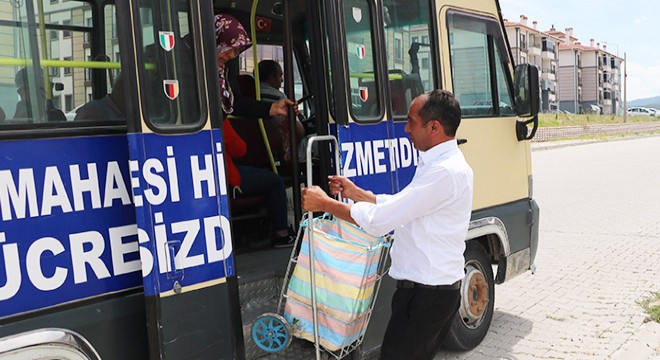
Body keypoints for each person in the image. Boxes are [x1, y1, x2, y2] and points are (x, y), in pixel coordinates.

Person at [301, 89, 474, 360]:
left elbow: (381, 221)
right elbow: (405, 206)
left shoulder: (444, 171)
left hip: (426, 297)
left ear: (434, 127)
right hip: (429, 293)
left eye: (411, 122)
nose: (406, 129)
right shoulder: (442, 164)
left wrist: (325, 204)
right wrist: (357, 193)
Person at [216, 13, 295, 247]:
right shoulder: (201, 80)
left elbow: (237, 103)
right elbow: (239, 148)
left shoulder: (223, 74)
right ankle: (282, 234)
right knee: (274, 181)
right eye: (229, 49)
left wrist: (272, 108)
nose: (232, 56)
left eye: (236, 52)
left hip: (223, 165)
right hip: (224, 170)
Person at [258, 59, 304, 166]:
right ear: (271, 77)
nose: (282, 81)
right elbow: (299, 131)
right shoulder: (278, 97)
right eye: (280, 76)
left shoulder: (250, 95)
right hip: (280, 150)